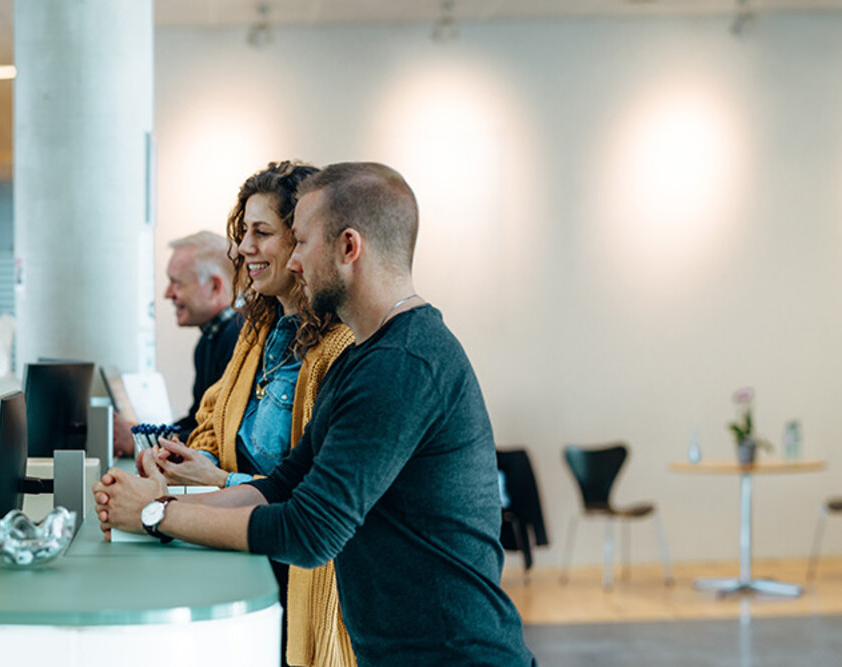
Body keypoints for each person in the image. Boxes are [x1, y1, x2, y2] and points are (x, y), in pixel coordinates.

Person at [95, 162, 533, 666]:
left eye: (299, 242)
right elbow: (282, 486)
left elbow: (309, 530)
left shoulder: (402, 364)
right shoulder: (363, 359)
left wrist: (158, 516)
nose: (294, 262)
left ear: (349, 248)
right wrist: (160, 499)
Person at [149, 161, 359, 667]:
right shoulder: (256, 333)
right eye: (243, 233)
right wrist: (186, 460)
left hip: (303, 577)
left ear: (303, 242)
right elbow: (212, 419)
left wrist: (217, 481)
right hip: (246, 558)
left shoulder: (340, 349)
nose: (243, 249)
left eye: (261, 233)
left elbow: (315, 496)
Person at [163, 230, 243, 434]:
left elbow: (217, 432)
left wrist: (151, 442)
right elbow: (198, 420)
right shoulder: (208, 340)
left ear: (215, 287)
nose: (168, 294)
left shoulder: (241, 340)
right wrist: (144, 437)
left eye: (177, 283)